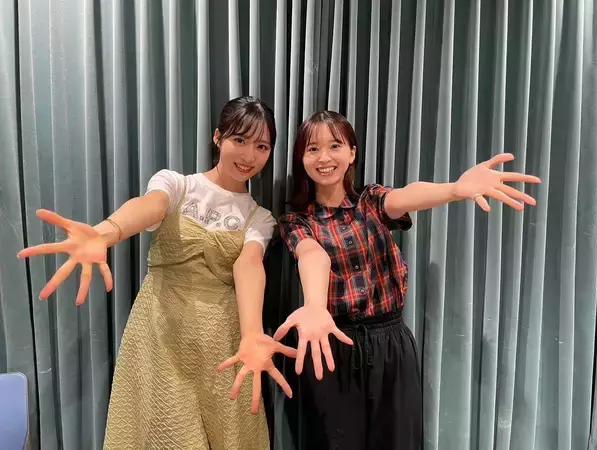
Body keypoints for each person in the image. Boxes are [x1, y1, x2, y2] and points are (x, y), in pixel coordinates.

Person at [17, 96, 297, 450]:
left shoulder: (260, 218)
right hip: (162, 334)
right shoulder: (177, 184)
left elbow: (249, 264)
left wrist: (253, 333)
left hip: (224, 344)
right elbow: (150, 207)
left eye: (262, 146)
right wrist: (106, 232)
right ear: (217, 137)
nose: (249, 155)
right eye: (239, 140)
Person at [273, 111, 541, 450]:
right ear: (302, 158)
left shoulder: (371, 201)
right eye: (313, 149)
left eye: (334, 146)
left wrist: (454, 190)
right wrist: (314, 305)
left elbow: (404, 197)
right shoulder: (296, 221)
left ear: (352, 153)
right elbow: (312, 255)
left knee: (399, 440)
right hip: (331, 345)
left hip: (390, 344)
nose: (324, 157)